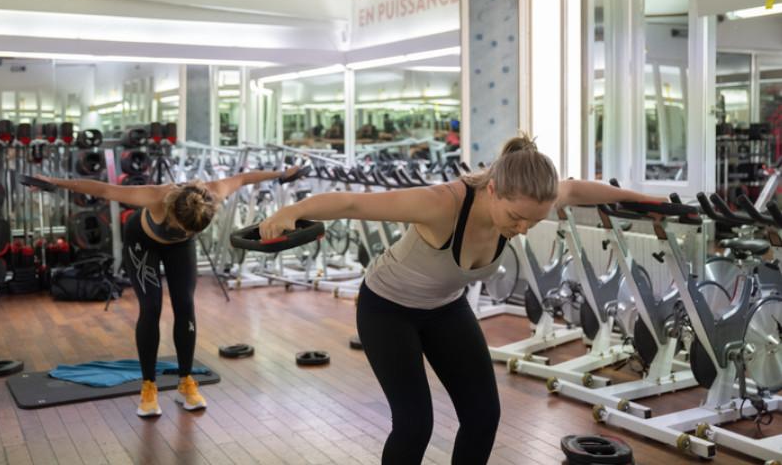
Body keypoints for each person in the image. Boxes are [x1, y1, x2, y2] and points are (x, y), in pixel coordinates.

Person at [258, 133, 665, 464]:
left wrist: (648, 201)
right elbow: (351, 202)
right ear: (492, 190)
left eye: (533, 221)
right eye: (516, 218)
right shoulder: (442, 204)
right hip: (387, 308)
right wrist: (291, 212)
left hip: (444, 307)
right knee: (415, 424)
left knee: (484, 416)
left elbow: (575, 189)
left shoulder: (530, 196)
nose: (523, 229)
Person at [36, 164, 300, 417]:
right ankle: (148, 389)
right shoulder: (155, 196)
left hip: (179, 249)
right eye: (183, 227)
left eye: (191, 230)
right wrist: (54, 183)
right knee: (151, 308)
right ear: (173, 209)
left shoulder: (212, 193)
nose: (186, 231)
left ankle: (186, 383)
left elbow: (243, 178)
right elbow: (102, 190)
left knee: (185, 305)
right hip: (142, 243)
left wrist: (281, 174)